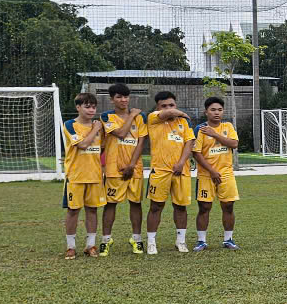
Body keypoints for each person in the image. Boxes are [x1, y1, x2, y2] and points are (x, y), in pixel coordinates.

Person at [144, 90, 195, 255]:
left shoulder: (183, 123)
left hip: (181, 170)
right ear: (157, 108)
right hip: (159, 171)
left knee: (181, 207)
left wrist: (181, 163)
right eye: (163, 106)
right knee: (156, 206)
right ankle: (151, 242)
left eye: (171, 105)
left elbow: (189, 143)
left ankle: (180, 241)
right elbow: (169, 113)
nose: (169, 108)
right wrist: (180, 112)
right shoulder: (153, 118)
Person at [99, 83, 146, 255]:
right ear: (112, 99)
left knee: (136, 203)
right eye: (119, 97)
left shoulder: (141, 118)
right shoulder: (106, 116)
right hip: (113, 169)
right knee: (110, 204)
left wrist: (132, 164)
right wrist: (132, 115)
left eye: (126, 96)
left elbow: (141, 142)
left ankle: (137, 238)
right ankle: (106, 239)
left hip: (135, 168)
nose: (123, 100)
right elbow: (120, 133)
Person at [61, 93, 108, 259]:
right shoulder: (69, 124)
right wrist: (95, 129)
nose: (91, 110)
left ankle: (90, 245)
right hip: (76, 176)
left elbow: (102, 148)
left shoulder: (100, 127)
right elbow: (82, 145)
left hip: (95, 176)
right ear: (78, 107)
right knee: (73, 211)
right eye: (87, 106)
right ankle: (71, 247)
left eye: (93, 107)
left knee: (92, 211)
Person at [192, 96, 240, 250]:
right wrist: (212, 171)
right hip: (206, 175)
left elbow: (234, 143)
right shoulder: (200, 129)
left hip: (226, 174)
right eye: (213, 110)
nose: (216, 113)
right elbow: (196, 153)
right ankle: (201, 241)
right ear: (206, 112)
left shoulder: (228, 126)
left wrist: (215, 134)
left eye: (219, 109)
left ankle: (228, 239)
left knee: (228, 206)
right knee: (204, 207)